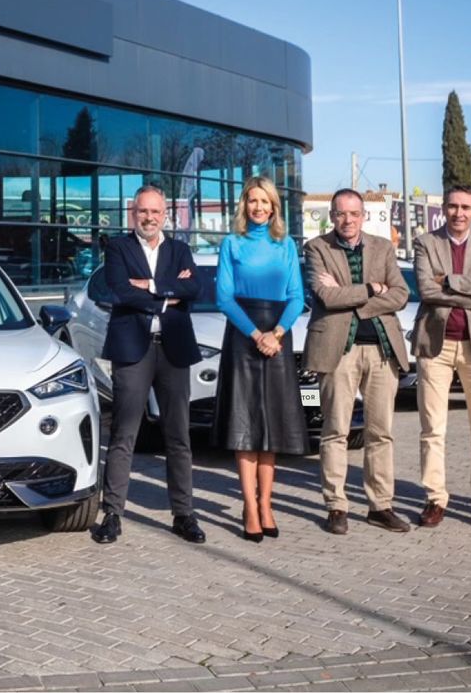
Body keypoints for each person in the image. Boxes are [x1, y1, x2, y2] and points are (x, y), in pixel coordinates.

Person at [89, 186, 204, 546]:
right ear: (132, 214)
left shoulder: (180, 250)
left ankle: (184, 514)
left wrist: (149, 285)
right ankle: (112, 514)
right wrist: (166, 294)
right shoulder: (119, 248)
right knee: (124, 434)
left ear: (165, 214)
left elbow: (194, 289)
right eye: (143, 212)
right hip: (132, 349)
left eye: (155, 212)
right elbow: (119, 291)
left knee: (178, 435)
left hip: (173, 349)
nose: (149, 218)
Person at [304, 188, 411, 534]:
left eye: (354, 213)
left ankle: (380, 505)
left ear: (363, 215)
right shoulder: (317, 248)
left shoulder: (382, 247)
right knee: (336, 430)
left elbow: (401, 294)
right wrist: (371, 289)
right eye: (340, 214)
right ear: (331, 216)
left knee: (381, 432)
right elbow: (326, 296)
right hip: (338, 351)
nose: (347, 220)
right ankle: (336, 505)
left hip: (381, 350)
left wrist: (359, 294)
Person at [212, 176, 307, 542]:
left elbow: (297, 296)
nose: (258, 207)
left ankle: (267, 503)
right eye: (252, 201)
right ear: (244, 205)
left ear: (274, 206)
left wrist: (277, 334)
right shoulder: (231, 244)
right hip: (243, 337)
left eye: (265, 201)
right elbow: (223, 297)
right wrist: (256, 335)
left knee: (273, 428)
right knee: (246, 427)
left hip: (278, 338)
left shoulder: (286, 245)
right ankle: (249, 507)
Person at [411, 184, 471, 533]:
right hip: (435, 345)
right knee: (432, 429)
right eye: (452, 206)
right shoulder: (426, 242)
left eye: (466, 207)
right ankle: (435, 499)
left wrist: (449, 281)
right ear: (444, 209)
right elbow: (426, 289)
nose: (459, 213)